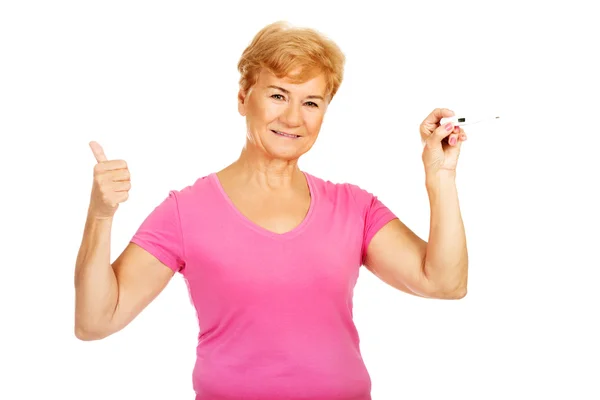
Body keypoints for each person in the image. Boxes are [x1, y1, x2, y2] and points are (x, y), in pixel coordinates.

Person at [74, 21, 468, 400]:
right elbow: (95, 321)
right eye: (278, 95)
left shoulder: (354, 207)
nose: (293, 118)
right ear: (244, 99)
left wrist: (440, 176)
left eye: (311, 102)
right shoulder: (185, 211)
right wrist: (101, 214)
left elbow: (444, 282)